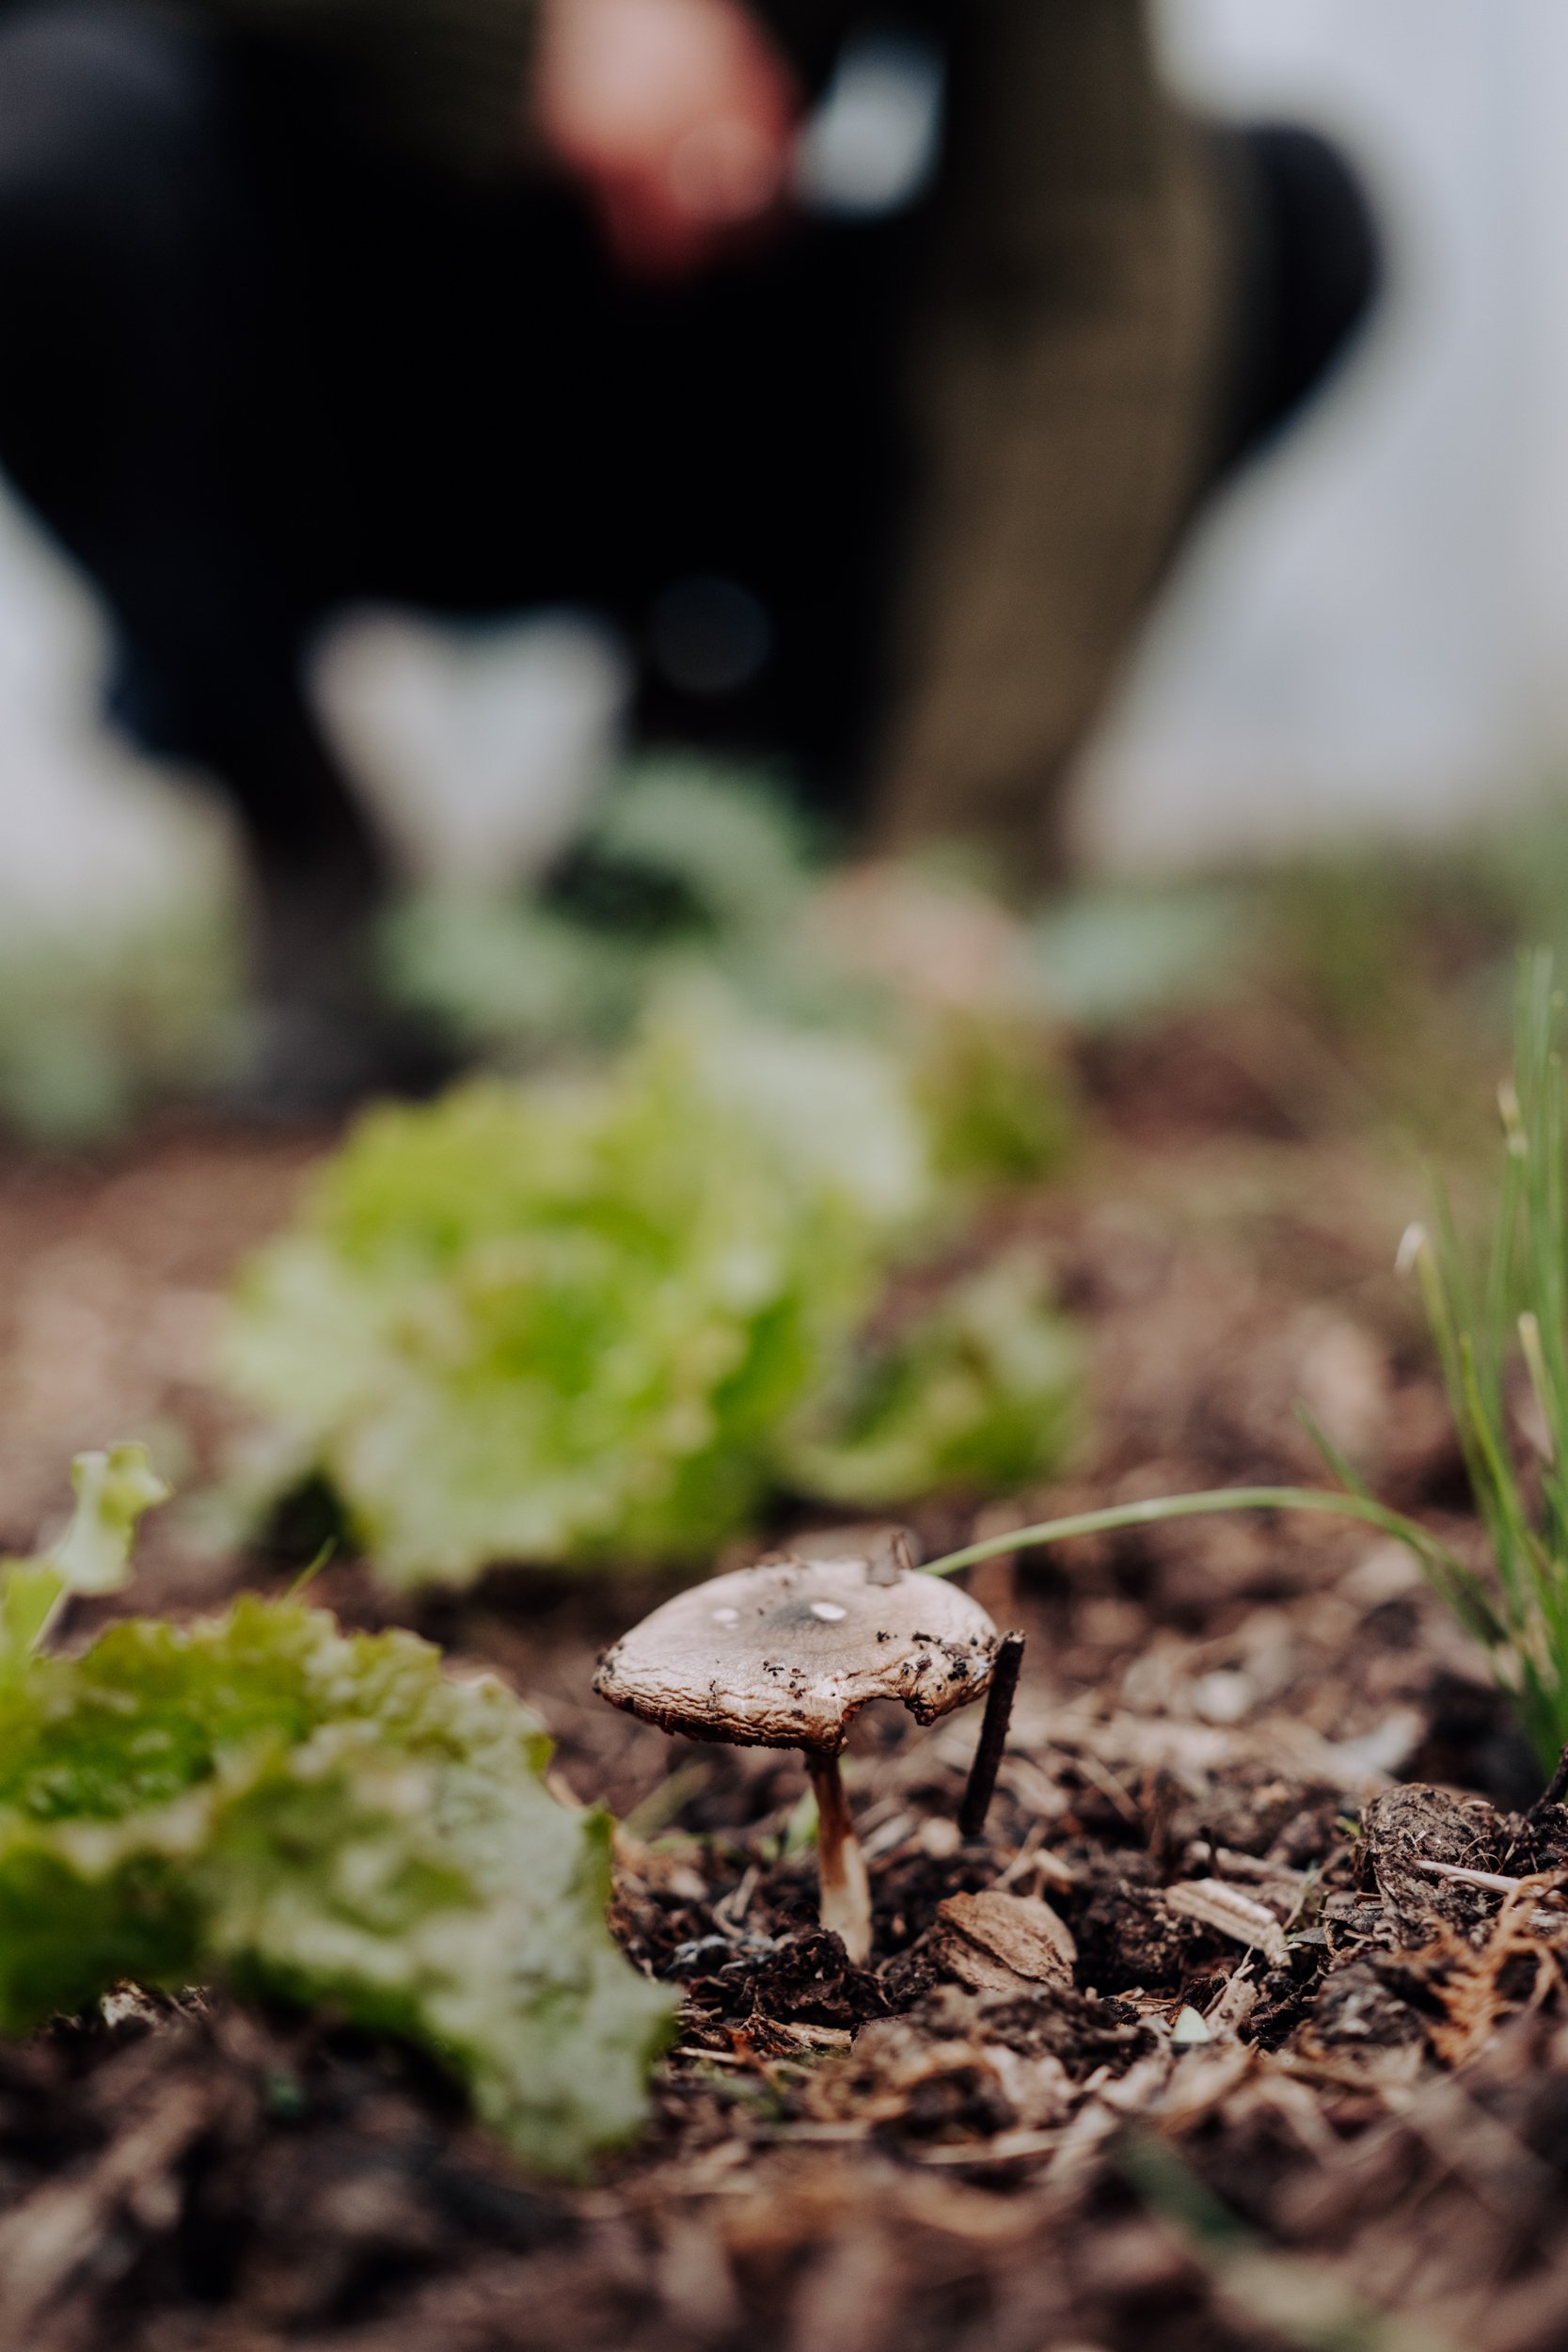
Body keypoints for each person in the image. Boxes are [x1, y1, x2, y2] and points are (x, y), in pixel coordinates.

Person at [0, 0, 1377, 1101]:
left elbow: (1086, 259)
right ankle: (302, 837)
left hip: (708, 356)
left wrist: (955, 835)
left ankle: (757, 816)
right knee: (43, 149)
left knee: (1277, 218)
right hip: (305, 373)